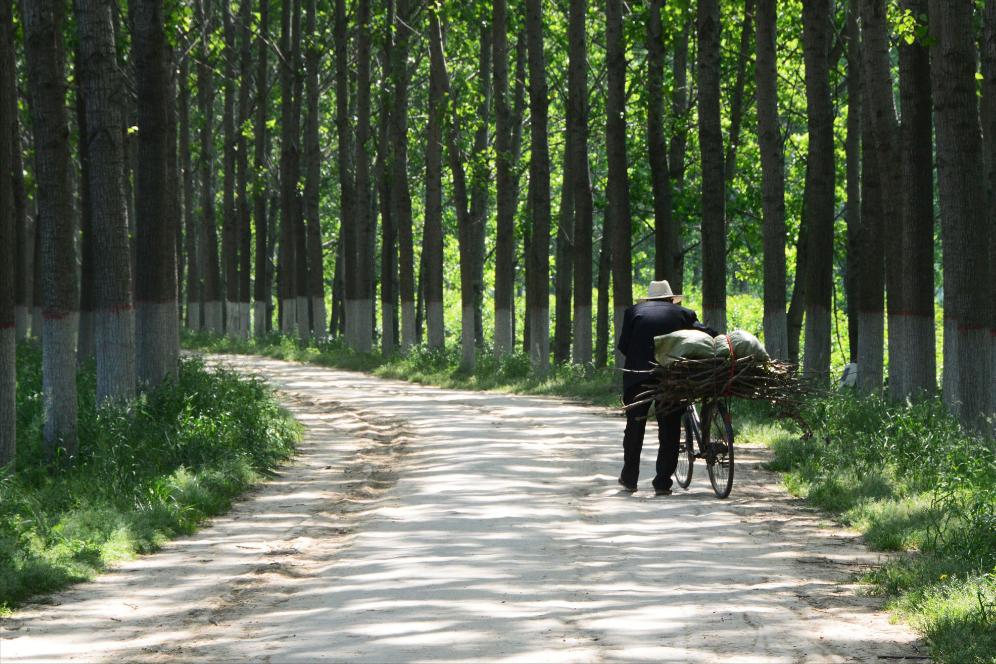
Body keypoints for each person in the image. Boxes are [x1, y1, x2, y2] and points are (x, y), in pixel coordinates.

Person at [616, 280, 718, 495]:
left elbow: (624, 345)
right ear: (671, 299)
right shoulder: (684, 313)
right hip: (671, 376)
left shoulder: (633, 312)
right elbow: (702, 333)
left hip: (639, 376)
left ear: (649, 299)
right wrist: (721, 338)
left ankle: (629, 478)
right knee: (669, 427)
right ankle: (662, 483)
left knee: (635, 426)